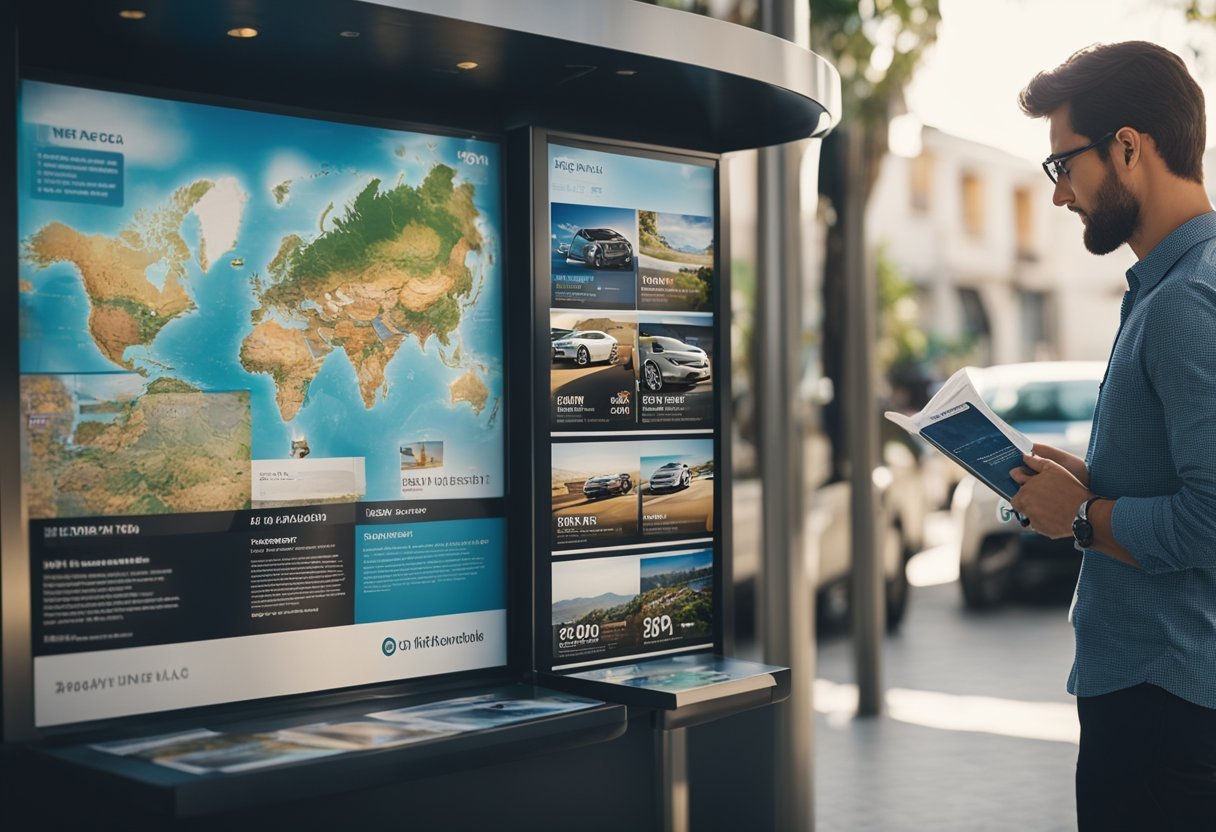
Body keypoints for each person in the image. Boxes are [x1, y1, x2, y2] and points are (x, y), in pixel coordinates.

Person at [1012, 41, 1216, 831]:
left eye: (1063, 165)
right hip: (1160, 700)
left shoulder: (1185, 302)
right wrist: (1088, 484)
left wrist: (1084, 519)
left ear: (1128, 147)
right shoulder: (1172, 286)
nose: (1061, 196)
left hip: (1162, 712)